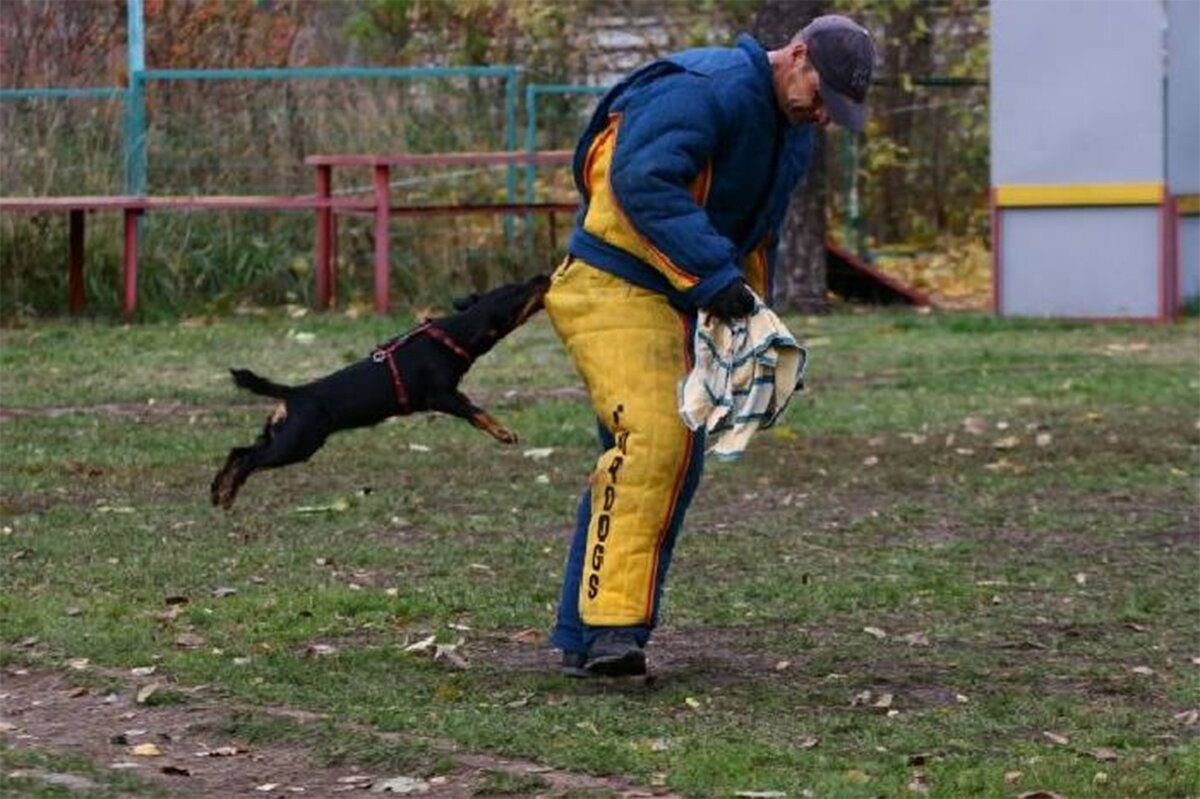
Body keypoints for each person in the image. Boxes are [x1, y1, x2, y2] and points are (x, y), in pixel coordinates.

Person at [544, 15, 877, 677]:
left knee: (667, 455)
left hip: (684, 291)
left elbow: (756, 233)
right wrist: (713, 279)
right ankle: (610, 632)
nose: (824, 116)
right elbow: (641, 183)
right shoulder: (703, 88)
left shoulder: (792, 133)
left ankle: (590, 630)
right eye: (823, 94)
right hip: (611, 280)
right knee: (656, 439)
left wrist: (756, 328)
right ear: (798, 53)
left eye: (838, 108)